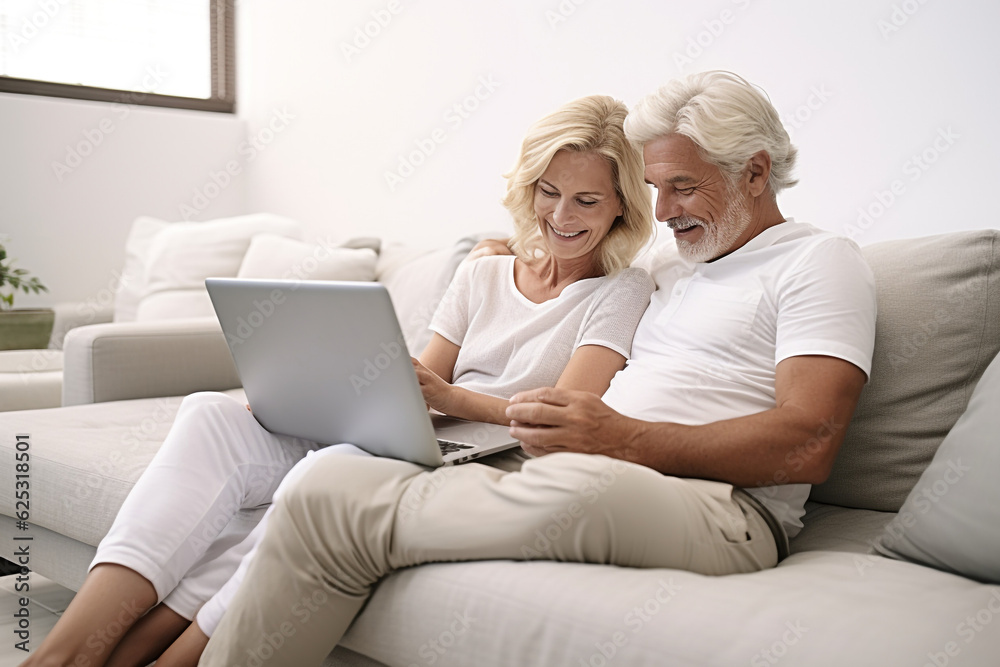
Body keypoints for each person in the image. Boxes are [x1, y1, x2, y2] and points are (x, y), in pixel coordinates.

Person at [197, 70, 878, 665]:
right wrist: (508, 251)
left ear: (756, 172)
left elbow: (810, 440)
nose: (663, 211)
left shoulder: (818, 262)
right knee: (329, 483)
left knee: (351, 508)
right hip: (600, 469)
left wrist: (621, 437)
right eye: (653, 187)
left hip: (722, 508)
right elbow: (574, 262)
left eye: (682, 187)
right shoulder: (673, 264)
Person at [24, 95, 656, 667]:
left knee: (316, 481)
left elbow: (566, 414)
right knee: (209, 417)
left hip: (481, 460)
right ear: (529, 187)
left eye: (587, 200)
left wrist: (451, 399)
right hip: (412, 436)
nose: (562, 215)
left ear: (623, 204)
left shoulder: (622, 290)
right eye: (549, 191)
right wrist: (302, 393)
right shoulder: (482, 275)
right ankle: (62, 652)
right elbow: (418, 384)